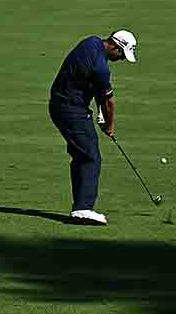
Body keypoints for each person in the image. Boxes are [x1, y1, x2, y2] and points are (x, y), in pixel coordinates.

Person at [48, 30, 137, 225]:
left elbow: (92, 84)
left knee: (81, 155)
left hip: (59, 104)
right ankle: (83, 208)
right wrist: (109, 125)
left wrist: (98, 113)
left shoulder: (90, 43)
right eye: (121, 54)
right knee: (90, 156)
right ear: (115, 46)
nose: (121, 59)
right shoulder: (102, 69)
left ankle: (80, 205)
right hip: (71, 110)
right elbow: (109, 101)